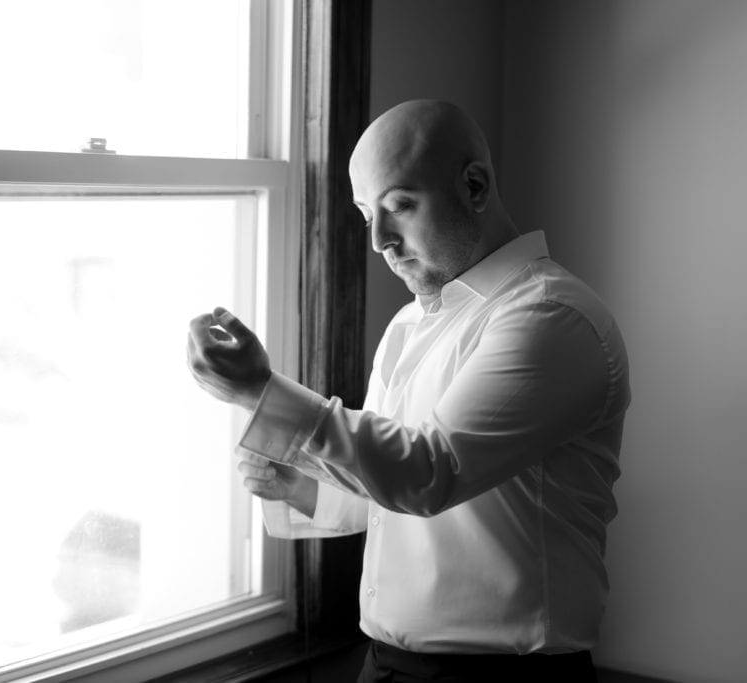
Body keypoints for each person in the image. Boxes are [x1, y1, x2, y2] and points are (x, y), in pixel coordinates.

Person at [187, 100, 630, 682]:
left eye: (399, 205)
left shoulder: (551, 318)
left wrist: (262, 394)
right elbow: (390, 497)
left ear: (474, 186)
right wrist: (299, 486)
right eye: (365, 212)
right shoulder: (409, 326)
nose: (378, 240)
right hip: (386, 666)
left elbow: (429, 471)